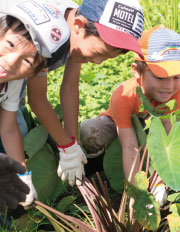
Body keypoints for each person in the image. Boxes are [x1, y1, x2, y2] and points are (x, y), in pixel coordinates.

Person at [24, 0, 145, 187]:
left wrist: (73, 143)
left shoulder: (77, 21)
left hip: (8, 74)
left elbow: (70, 87)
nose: (97, 62)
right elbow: (38, 99)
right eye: (98, 52)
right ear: (79, 27)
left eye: (107, 58)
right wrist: (66, 148)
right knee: (12, 127)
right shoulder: (47, 33)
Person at [80, 25, 180, 206]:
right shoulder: (124, 94)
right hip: (119, 130)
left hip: (149, 134)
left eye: (176, 77)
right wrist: (137, 193)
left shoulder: (174, 95)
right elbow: (130, 145)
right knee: (91, 130)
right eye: (160, 76)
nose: (169, 86)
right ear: (137, 70)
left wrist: (159, 181)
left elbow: (165, 140)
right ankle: (98, 164)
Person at [0, 0, 72, 208]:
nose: (11, 61)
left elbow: (9, 129)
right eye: (11, 45)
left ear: (34, 73)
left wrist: (23, 175)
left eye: (26, 61)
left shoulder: (12, 78)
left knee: (21, 130)